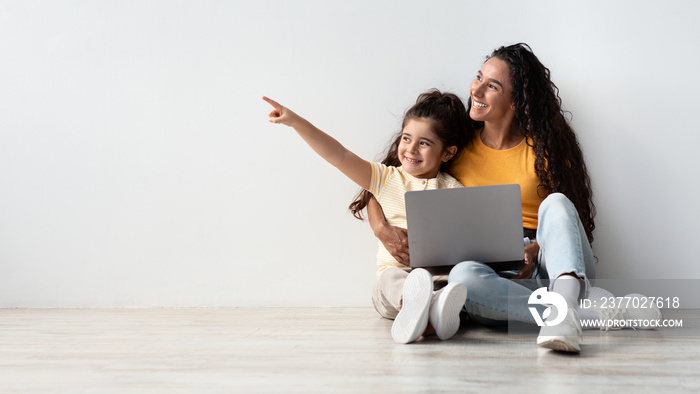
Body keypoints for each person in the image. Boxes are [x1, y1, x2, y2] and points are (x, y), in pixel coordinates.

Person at [365, 43, 661, 353]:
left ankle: (565, 302)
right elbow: (389, 181)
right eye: (478, 77)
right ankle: (577, 312)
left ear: (516, 101)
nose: (476, 90)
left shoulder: (545, 149)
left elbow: (570, 227)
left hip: (551, 262)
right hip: (497, 274)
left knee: (556, 203)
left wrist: (536, 248)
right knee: (463, 276)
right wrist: (380, 228)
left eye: (491, 85)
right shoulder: (457, 148)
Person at [263, 90, 469, 344]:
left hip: (436, 278)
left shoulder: (452, 189)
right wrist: (296, 122)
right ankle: (422, 308)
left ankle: (426, 318)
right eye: (406, 138)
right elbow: (339, 155)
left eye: (424, 143)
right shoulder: (385, 178)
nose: (411, 149)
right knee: (392, 279)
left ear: (447, 153)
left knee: (455, 282)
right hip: (394, 284)